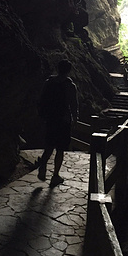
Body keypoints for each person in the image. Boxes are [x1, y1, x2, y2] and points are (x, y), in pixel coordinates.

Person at [38, 59, 78, 187]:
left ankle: (43, 165)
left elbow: (41, 99)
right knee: (60, 149)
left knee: (49, 146)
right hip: (63, 120)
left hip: (50, 119)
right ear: (68, 70)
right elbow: (73, 104)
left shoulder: (49, 82)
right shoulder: (70, 85)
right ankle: (55, 175)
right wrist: (74, 119)